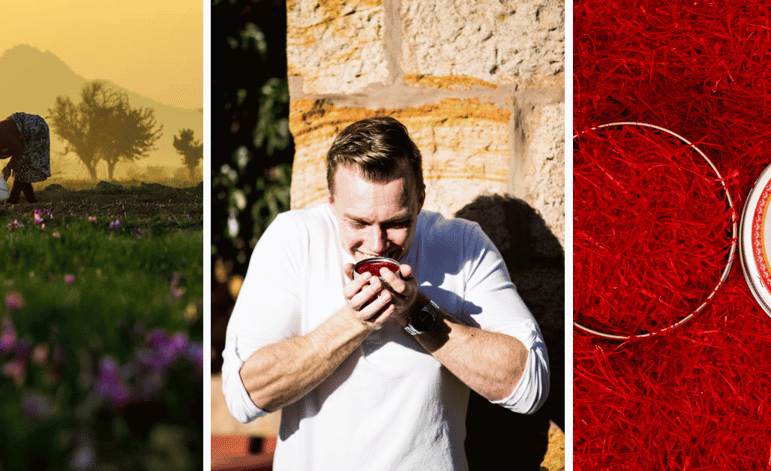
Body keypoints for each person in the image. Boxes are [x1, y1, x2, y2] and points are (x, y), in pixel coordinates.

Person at [220, 117, 549, 470]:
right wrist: (354, 321)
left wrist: (419, 314)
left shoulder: (461, 244)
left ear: (420, 199)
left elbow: (529, 387)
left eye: (396, 223)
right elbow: (244, 396)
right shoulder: (294, 239)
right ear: (331, 202)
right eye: (358, 223)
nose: (377, 245)